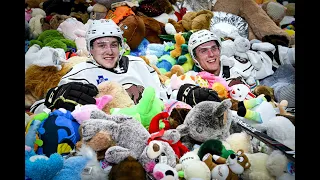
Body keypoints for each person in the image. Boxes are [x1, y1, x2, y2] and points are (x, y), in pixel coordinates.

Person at [30, 19, 168, 113]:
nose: (109, 51)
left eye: (113, 44)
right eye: (101, 45)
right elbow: (36, 109)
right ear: (90, 49)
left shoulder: (138, 65)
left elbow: (166, 100)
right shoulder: (80, 72)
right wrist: (54, 98)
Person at [187, 29, 295, 108]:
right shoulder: (199, 83)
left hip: (278, 72)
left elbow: (277, 56)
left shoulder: (236, 61)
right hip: (273, 94)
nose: (211, 54)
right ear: (195, 58)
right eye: (203, 50)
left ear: (219, 50)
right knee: (283, 94)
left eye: (214, 48)